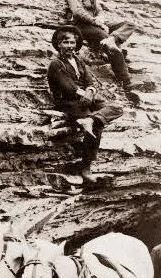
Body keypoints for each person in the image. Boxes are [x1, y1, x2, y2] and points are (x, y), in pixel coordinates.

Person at [47, 25, 123, 184]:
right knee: (97, 126)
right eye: (65, 42)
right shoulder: (56, 64)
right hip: (68, 102)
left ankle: (91, 119)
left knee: (117, 107)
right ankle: (85, 168)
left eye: (72, 43)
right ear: (59, 44)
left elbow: (90, 81)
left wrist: (90, 91)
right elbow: (68, 87)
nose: (69, 46)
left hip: (86, 98)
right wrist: (87, 95)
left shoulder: (78, 60)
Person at [63, 0, 140, 94]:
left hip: (94, 22)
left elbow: (99, 9)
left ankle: (113, 39)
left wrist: (101, 18)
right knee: (105, 38)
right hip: (79, 25)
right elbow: (77, 11)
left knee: (129, 24)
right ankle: (126, 80)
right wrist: (96, 21)